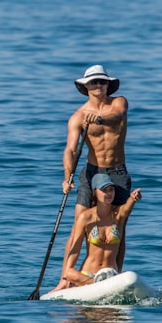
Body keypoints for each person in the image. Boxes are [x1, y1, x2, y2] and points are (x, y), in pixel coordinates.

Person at [61, 64, 131, 272]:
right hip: (92, 172)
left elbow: (118, 117)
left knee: (118, 227)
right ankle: (66, 278)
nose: (98, 85)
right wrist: (67, 177)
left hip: (117, 173)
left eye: (102, 81)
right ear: (86, 87)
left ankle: (114, 272)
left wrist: (100, 119)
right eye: (94, 82)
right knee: (79, 226)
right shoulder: (78, 116)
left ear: (109, 85)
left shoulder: (119, 102)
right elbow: (70, 150)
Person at [51, 174, 142, 292]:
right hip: (89, 275)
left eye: (111, 189)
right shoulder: (85, 217)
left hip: (111, 275)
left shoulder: (118, 215)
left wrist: (133, 198)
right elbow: (75, 249)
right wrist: (66, 276)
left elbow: (127, 206)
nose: (108, 193)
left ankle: (103, 283)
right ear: (95, 192)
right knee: (70, 273)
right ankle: (96, 283)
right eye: (104, 190)